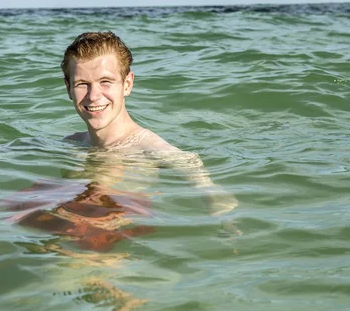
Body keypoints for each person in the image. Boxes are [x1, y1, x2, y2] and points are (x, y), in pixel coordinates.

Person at [61, 31, 238, 216]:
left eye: (105, 81)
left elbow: (196, 170)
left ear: (127, 84)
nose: (93, 96)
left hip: (119, 227)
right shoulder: (73, 144)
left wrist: (227, 223)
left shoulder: (149, 148)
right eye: (82, 84)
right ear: (68, 88)